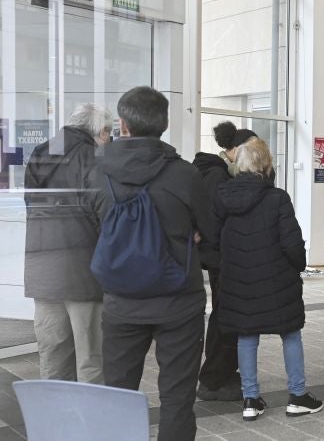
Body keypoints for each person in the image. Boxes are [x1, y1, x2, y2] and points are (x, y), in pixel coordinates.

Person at [87, 86, 218, 441]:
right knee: (177, 398)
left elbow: (95, 228)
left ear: (123, 125)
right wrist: (190, 234)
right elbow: (211, 231)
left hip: (121, 302)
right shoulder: (185, 174)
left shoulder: (98, 174)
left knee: (119, 395)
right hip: (179, 302)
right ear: (165, 124)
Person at [213, 137, 322, 421]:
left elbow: (216, 240)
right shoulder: (277, 199)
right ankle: (297, 396)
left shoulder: (224, 198)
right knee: (290, 333)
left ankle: (250, 399)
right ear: (266, 165)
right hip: (276, 280)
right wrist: (299, 265)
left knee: (246, 335)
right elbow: (292, 243)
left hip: (238, 280)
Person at [24, 103, 112, 384]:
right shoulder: (94, 158)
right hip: (82, 272)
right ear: (100, 131)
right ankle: (90, 412)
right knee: (90, 357)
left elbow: (31, 204)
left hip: (41, 268)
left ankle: (54, 410)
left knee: (52, 354)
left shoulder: (40, 152)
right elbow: (105, 215)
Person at [192, 121, 258, 402]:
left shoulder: (216, 172)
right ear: (237, 150)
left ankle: (221, 375)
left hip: (220, 256)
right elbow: (214, 220)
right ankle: (213, 380)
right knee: (224, 319)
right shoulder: (218, 176)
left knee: (224, 316)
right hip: (223, 258)